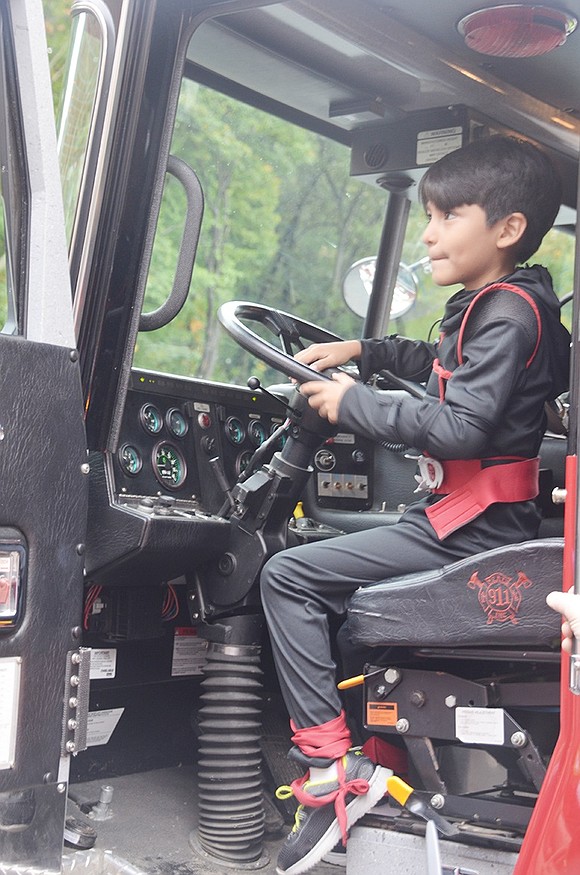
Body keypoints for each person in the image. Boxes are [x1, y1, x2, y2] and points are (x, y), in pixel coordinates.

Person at [260, 135, 570, 875]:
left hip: (469, 533)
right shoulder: (499, 304)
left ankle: (333, 780)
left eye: (444, 216)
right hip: (464, 519)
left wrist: (353, 404)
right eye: (425, 217)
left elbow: (463, 424)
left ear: (506, 228)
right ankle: (369, 749)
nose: (427, 234)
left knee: (288, 577)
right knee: (326, 558)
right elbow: (435, 362)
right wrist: (362, 351)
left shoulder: (510, 315)